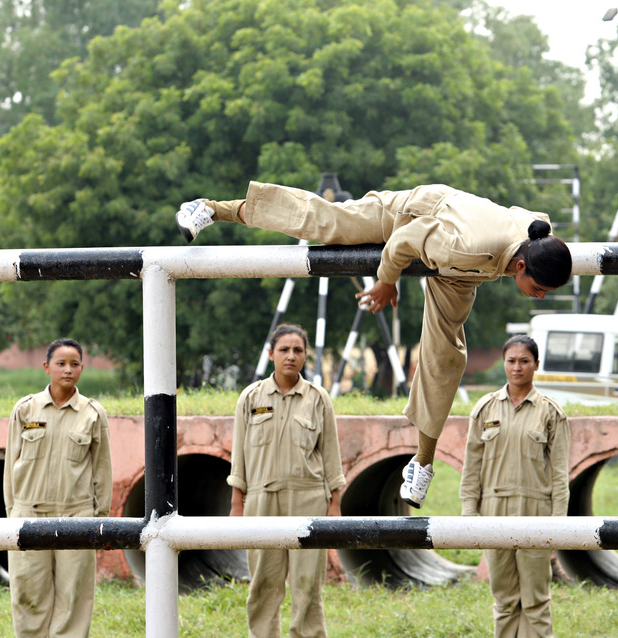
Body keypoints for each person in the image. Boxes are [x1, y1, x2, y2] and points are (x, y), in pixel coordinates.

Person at [176, 183, 572, 508]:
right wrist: (386, 281)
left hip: (461, 273)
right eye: (538, 289)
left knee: (447, 356)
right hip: (407, 218)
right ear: (520, 266)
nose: (538, 296)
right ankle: (212, 207)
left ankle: (422, 463)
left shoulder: (536, 235)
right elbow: (405, 240)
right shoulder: (465, 245)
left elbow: (533, 220)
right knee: (322, 222)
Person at [227, 323, 345, 638]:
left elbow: (331, 457)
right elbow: (238, 457)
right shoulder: (251, 398)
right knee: (264, 584)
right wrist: (237, 506)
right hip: (261, 500)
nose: (290, 356)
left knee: (308, 586)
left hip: (308, 500)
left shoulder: (318, 399)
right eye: (284, 350)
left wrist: (335, 507)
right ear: (271, 354)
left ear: (306, 355)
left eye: (297, 350)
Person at [459, 335, 569, 638]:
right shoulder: (484, 409)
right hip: (493, 511)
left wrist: (558, 522)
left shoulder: (550, 412)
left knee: (535, 601)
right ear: (503, 363)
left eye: (524, 361)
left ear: (536, 364)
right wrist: (470, 513)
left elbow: (560, 473)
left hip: (536, 511)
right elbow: (472, 467)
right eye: (511, 361)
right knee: (505, 600)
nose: (517, 367)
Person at [3, 338, 113, 638]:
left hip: (76, 516)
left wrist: (98, 519)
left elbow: (102, 470)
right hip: (28, 514)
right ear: (46, 367)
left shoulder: (92, 413)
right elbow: (10, 465)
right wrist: (14, 513)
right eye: (60, 363)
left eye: (74, 364)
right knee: (28, 595)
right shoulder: (25, 410)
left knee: (73, 598)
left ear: (82, 368)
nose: (68, 370)